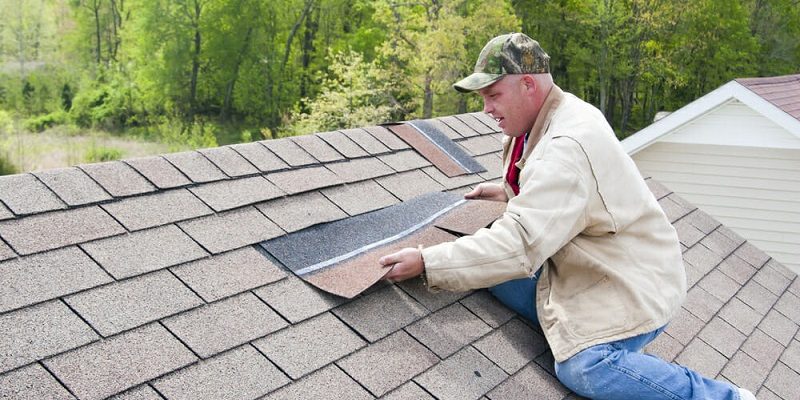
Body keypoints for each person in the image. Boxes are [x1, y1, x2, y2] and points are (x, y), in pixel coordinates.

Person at [378, 33, 756, 400]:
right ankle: (568, 323)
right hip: (583, 258)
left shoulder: (566, 146)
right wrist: (510, 193)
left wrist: (427, 262)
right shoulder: (545, 116)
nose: (486, 109)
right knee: (482, 269)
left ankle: (724, 397)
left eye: (493, 95)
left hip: (628, 281)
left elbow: (520, 245)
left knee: (583, 366)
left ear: (527, 84)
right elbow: (557, 193)